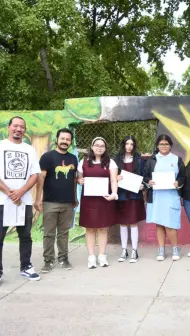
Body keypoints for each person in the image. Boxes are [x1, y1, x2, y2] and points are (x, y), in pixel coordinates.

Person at [0, 116, 41, 282]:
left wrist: (21, 192)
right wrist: (10, 193)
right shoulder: (1, 146)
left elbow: (35, 175)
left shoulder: (29, 150)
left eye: (22, 127)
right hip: (2, 201)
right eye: (15, 126)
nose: (18, 129)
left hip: (24, 202)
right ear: (9, 127)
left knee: (25, 236)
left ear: (25, 130)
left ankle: (26, 266)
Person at [35, 128, 78, 273]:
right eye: (63, 138)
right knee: (49, 233)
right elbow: (41, 178)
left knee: (64, 233)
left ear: (70, 142)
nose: (65, 141)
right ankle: (48, 260)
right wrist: (38, 199)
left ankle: (63, 258)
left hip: (68, 203)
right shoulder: (47, 157)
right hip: (50, 202)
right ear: (57, 140)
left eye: (67, 139)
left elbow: (73, 179)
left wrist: (75, 198)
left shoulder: (73, 159)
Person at [77, 137, 118, 269]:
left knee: (102, 228)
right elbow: (79, 178)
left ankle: (101, 255)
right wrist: (79, 181)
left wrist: (114, 194)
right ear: (92, 146)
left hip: (104, 200)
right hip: (89, 200)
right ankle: (91, 257)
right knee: (90, 228)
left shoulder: (110, 163)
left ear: (105, 148)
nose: (99, 147)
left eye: (102, 145)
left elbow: (113, 181)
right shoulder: (83, 161)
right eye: (97, 145)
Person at [143, 134, 185, 261]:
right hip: (156, 196)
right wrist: (149, 182)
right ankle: (161, 250)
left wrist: (178, 182)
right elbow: (145, 176)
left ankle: (175, 249)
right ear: (157, 146)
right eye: (161, 144)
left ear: (170, 145)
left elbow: (183, 176)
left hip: (171, 196)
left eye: (166, 144)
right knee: (159, 224)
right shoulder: (152, 160)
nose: (164, 146)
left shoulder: (177, 159)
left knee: (170, 224)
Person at [114, 136, 146, 263]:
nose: (129, 146)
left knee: (133, 222)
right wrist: (115, 178)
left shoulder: (139, 160)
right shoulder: (116, 160)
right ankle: (123, 250)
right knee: (122, 223)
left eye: (131, 144)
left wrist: (142, 185)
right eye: (127, 143)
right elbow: (112, 175)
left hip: (134, 195)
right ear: (123, 145)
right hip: (121, 195)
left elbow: (143, 176)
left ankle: (134, 250)